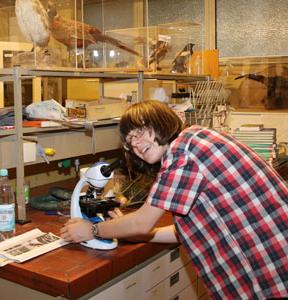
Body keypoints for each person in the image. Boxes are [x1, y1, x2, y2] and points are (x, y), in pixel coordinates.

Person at [60, 100, 288, 299]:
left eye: (139, 132)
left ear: (161, 122)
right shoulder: (197, 139)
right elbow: (189, 230)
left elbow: (142, 221)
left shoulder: (184, 151)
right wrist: (132, 234)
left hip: (274, 272)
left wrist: (92, 230)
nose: (136, 145)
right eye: (130, 143)